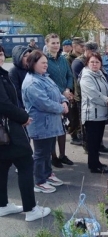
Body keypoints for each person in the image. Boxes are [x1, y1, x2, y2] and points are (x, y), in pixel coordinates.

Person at [0, 46, 51, 221]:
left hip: (5, 130)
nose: (0, 57)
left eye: (0, 54)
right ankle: (31, 210)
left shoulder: (2, 74)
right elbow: (4, 104)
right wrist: (23, 117)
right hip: (9, 129)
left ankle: (3, 205)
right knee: (25, 165)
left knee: (3, 165)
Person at [22, 50, 67, 193]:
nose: (46, 65)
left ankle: (47, 174)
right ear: (33, 63)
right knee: (40, 153)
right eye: (43, 63)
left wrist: (64, 100)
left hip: (51, 124)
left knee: (48, 151)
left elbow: (57, 92)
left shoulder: (44, 77)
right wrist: (61, 108)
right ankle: (39, 181)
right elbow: (44, 103)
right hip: (41, 124)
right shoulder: (31, 82)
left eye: (46, 63)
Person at [71, 41, 108, 153]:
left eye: (95, 51)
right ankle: (88, 147)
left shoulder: (95, 61)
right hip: (84, 98)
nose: (93, 53)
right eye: (91, 51)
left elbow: (103, 75)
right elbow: (81, 82)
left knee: (99, 126)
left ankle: (99, 144)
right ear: (86, 50)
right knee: (87, 127)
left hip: (101, 97)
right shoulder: (78, 62)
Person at [80, 52, 108, 174]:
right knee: (93, 143)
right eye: (92, 62)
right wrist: (107, 101)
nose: (95, 64)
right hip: (92, 115)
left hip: (101, 114)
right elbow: (94, 95)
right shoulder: (86, 77)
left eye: (97, 62)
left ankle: (97, 162)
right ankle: (93, 166)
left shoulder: (100, 74)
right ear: (87, 63)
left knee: (97, 141)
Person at [44, 33, 74, 168]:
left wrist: (68, 89)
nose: (56, 45)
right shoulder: (44, 60)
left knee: (62, 129)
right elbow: (46, 80)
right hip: (52, 99)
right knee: (52, 130)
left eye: (57, 43)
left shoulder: (63, 59)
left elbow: (70, 75)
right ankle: (53, 156)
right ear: (47, 44)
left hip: (65, 98)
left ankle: (62, 155)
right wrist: (62, 92)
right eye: (53, 43)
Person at [65, 37, 85, 146]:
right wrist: (70, 90)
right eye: (80, 46)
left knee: (79, 115)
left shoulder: (83, 58)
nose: (83, 48)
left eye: (83, 46)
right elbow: (69, 76)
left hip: (80, 89)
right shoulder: (68, 59)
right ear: (74, 46)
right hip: (73, 89)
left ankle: (80, 133)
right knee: (73, 115)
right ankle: (73, 135)